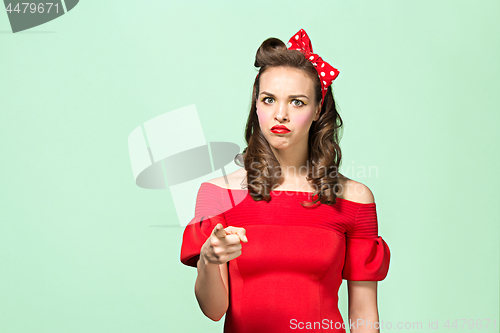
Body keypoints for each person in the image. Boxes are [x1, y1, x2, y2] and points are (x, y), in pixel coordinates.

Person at [180, 28, 391, 333]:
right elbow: (214, 310)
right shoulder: (217, 193)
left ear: (318, 109)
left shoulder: (355, 198)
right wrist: (209, 260)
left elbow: (363, 313)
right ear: (256, 105)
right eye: (269, 100)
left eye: (297, 102)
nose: (280, 114)